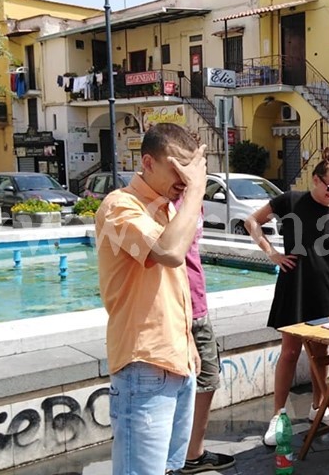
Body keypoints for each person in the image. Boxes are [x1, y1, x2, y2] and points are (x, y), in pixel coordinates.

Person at [95, 123, 207, 475]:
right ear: (148, 162)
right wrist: (197, 190)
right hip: (144, 366)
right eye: (179, 169)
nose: (186, 180)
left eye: (192, 170)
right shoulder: (120, 206)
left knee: (171, 469)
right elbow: (168, 252)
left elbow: (174, 286)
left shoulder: (168, 209)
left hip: (178, 364)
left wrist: (188, 345)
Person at [245, 147, 329, 446]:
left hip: (328, 287)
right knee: (290, 352)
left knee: (320, 353)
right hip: (294, 285)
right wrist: (272, 254)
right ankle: (278, 415)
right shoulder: (291, 200)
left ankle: (318, 407)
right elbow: (252, 221)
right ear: (316, 180)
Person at [177, 200, 236, 473]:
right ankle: (180, 457)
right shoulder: (161, 202)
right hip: (177, 310)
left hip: (197, 306)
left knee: (208, 378)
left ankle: (192, 454)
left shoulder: (193, 200)